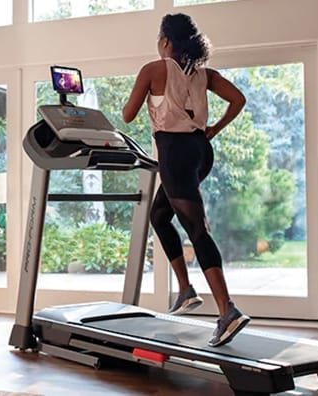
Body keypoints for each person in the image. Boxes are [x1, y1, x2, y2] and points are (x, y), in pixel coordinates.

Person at [122, 13, 249, 347]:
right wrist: (213, 130)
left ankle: (228, 311)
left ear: (165, 40)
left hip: (175, 153)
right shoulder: (204, 74)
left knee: (196, 228)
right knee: (160, 216)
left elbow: (127, 114)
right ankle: (186, 290)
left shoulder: (154, 69)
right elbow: (239, 100)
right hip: (199, 152)